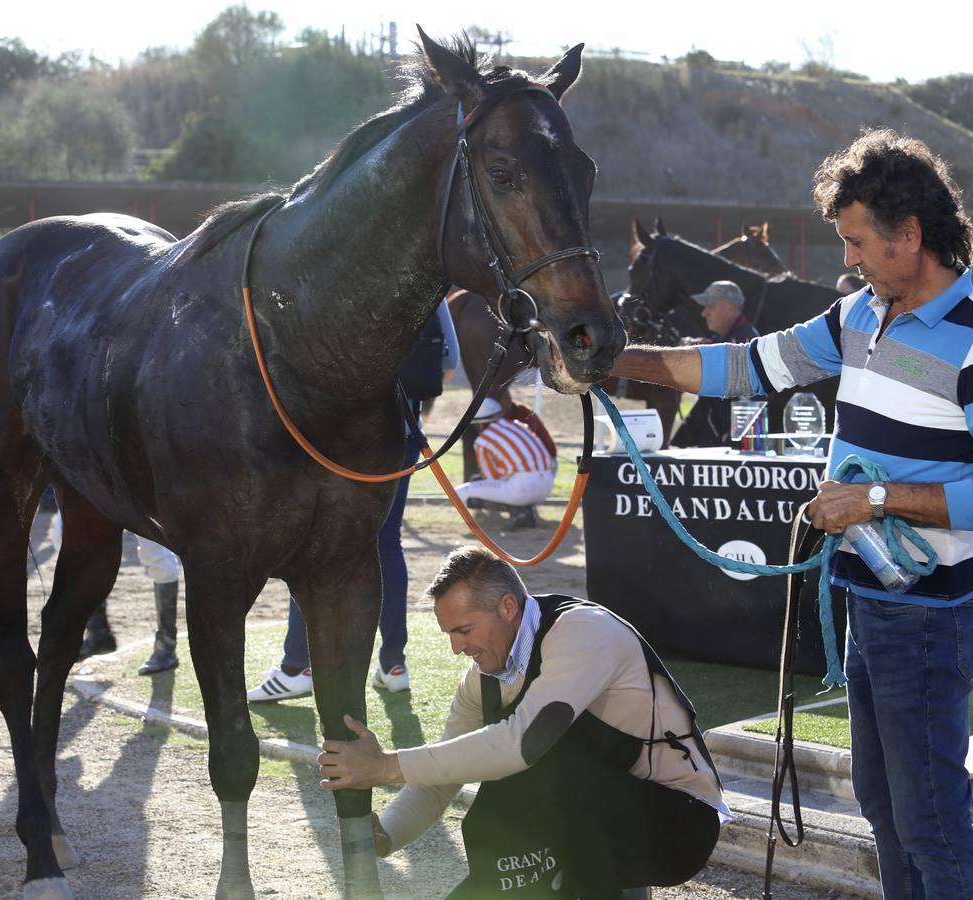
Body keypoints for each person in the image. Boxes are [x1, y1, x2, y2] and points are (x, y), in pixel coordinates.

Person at [610, 128, 973, 898]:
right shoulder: (860, 314)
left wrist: (876, 499)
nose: (849, 260)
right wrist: (615, 358)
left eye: (859, 243)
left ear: (911, 235)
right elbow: (748, 367)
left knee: (930, 820)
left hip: (931, 618)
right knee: (885, 808)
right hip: (869, 602)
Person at [317, 545, 726, 898]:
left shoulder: (584, 631)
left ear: (508, 607)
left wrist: (384, 766)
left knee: (534, 763)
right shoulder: (482, 679)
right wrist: (386, 833)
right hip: (594, 826)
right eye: (449, 634)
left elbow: (520, 745)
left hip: (677, 826)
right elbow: (441, 779)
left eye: (464, 630)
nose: (457, 647)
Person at [248, 300, 458, 701]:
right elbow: (449, 359)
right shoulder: (428, 273)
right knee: (386, 542)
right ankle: (394, 664)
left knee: (314, 542)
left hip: (338, 435)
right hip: (403, 429)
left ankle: (299, 666)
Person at [48, 512, 182, 673]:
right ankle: (99, 633)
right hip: (98, 488)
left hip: (138, 492)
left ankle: (166, 646)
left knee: (156, 552)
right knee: (64, 534)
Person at [671, 280, 760, 448]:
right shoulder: (725, 340)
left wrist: (731, 446)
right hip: (716, 446)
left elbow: (751, 405)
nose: (704, 313)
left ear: (730, 308)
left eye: (710, 306)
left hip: (730, 452)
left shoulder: (744, 345)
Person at [455, 397, 557, 529]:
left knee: (459, 493)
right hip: (547, 486)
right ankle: (526, 511)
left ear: (478, 423)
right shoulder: (519, 425)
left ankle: (518, 512)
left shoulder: (483, 440)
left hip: (522, 489)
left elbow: (492, 477)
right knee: (512, 481)